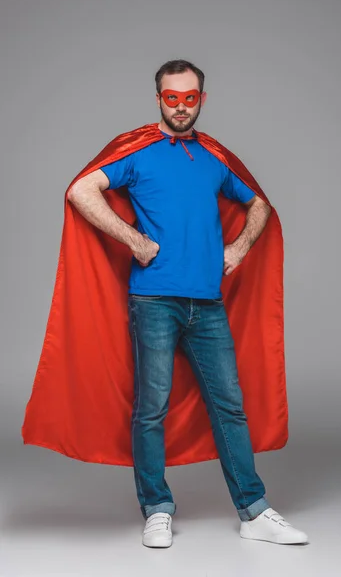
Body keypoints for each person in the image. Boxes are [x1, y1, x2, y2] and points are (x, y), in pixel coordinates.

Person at [66, 59, 308, 548]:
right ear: (158, 98)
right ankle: (156, 508)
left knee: (230, 407)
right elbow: (80, 190)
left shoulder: (216, 158)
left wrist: (238, 248)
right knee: (151, 408)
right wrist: (134, 240)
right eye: (171, 97)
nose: (180, 106)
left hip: (208, 305)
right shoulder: (139, 152)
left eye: (190, 97)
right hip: (153, 300)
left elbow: (259, 202)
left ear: (202, 99)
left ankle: (253, 510)